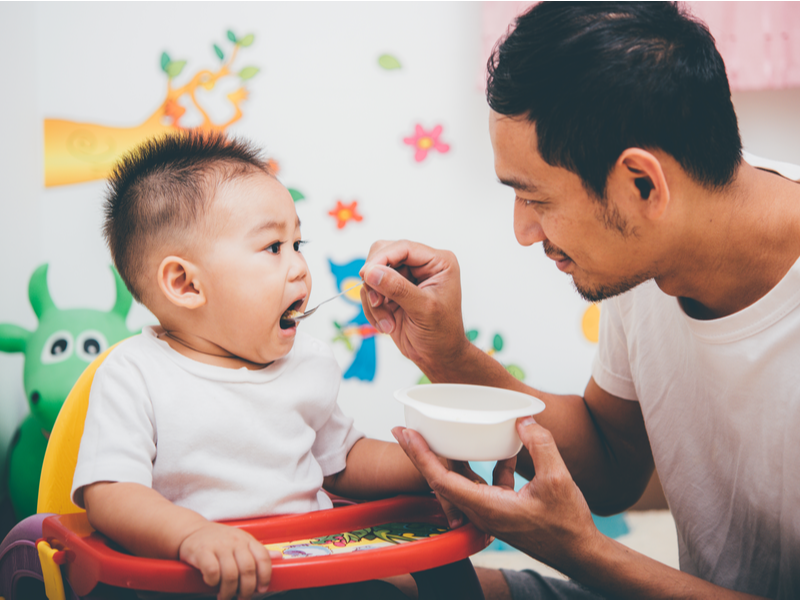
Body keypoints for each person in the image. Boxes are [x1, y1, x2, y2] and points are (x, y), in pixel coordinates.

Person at [358, 2, 800, 599]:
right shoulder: (653, 247)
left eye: (536, 200)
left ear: (643, 184)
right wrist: (449, 355)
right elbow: (613, 461)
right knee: (375, 587)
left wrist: (580, 551)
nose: (523, 232)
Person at [70, 131, 430, 600]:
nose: (300, 266)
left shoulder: (307, 364)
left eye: (298, 243)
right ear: (185, 283)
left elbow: (343, 461)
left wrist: (429, 459)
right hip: (206, 584)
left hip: (315, 569)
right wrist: (192, 536)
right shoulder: (134, 375)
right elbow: (111, 494)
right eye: (273, 248)